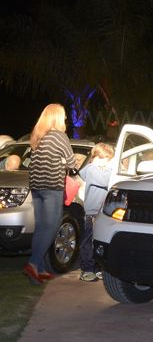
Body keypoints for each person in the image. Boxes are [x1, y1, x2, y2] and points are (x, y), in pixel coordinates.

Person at [23, 103, 76, 285]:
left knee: (41, 228)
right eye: (64, 116)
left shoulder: (38, 135)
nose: (66, 119)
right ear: (57, 117)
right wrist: (65, 162)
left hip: (36, 187)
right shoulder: (59, 136)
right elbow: (72, 163)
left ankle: (40, 270)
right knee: (52, 227)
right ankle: (33, 263)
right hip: (52, 187)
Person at [78, 143, 114, 282]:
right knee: (88, 242)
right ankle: (87, 269)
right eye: (106, 159)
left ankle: (98, 267)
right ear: (97, 157)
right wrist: (114, 169)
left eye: (109, 159)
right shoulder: (92, 169)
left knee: (99, 241)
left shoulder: (101, 169)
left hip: (101, 213)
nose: (108, 162)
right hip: (92, 212)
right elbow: (106, 180)